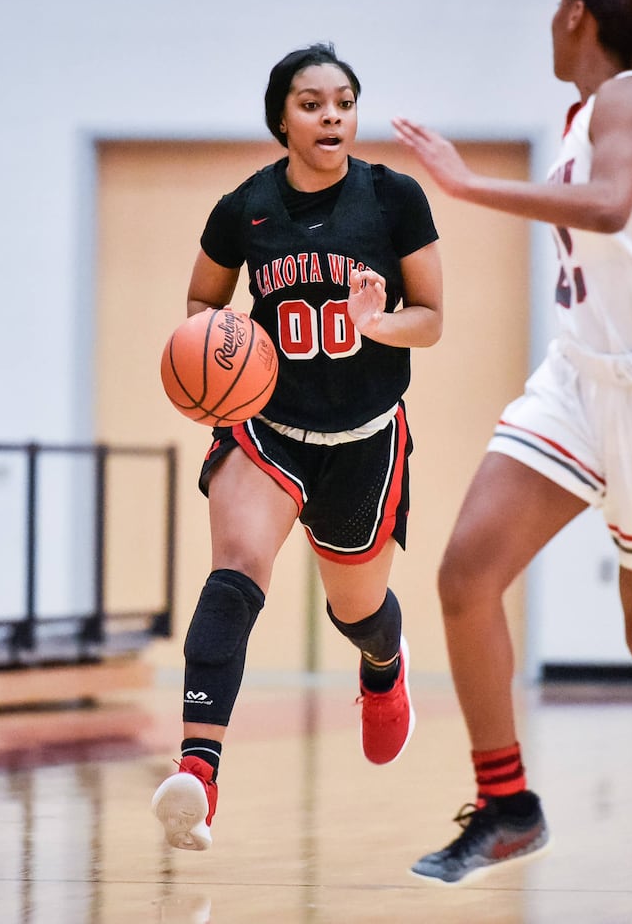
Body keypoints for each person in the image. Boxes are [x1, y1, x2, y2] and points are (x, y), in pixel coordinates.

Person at [392, 0, 632, 909]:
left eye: (559, 4)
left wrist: (465, 186)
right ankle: (505, 801)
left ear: (574, 15)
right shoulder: (591, 112)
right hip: (579, 376)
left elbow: (602, 208)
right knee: (466, 576)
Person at [151, 43, 444, 852]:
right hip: (266, 428)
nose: (331, 117)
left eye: (344, 103)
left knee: (356, 609)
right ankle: (199, 774)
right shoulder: (242, 208)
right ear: (281, 116)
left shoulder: (394, 200)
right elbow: (202, 305)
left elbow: (431, 317)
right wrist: (216, 362)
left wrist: (378, 324)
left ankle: (383, 666)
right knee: (236, 570)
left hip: (365, 435)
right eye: (313, 104)